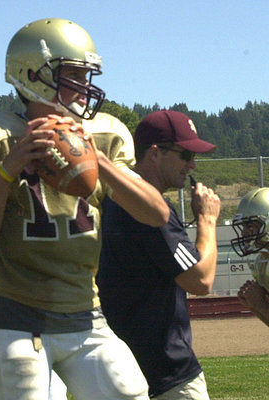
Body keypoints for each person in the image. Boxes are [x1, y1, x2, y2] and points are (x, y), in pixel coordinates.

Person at [0, 18, 169, 400]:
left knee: (128, 392)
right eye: (73, 74)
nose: (84, 87)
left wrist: (100, 162)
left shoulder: (103, 136)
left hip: (85, 312)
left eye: (86, 75)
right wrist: (5, 173)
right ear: (31, 74)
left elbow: (156, 214)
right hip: (14, 315)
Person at [97, 110, 221, 399]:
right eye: (185, 154)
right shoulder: (150, 209)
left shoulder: (112, 199)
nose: (192, 164)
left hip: (117, 366)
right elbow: (200, 280)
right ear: (154, 153)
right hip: (165, 369)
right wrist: (207, 220)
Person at [231, 187, 269, 327]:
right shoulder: (262, 261)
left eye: (250, 226)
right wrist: (254, 306)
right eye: (244, 226)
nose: (244, 233)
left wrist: (259, 305)